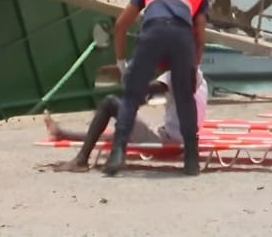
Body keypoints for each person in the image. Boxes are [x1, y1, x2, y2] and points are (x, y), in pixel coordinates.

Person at [102, 0, 208, 177]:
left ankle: (117, 153)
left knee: (132, 96)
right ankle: (191, 160)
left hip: (153, 30)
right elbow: (200, 36)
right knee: (184, 97)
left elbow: (121, 25)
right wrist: (194, 68)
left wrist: (122, 63)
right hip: (181, 35)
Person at [43, 68, 209, 173]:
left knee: (109, 103)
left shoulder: (176, 74)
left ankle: (81, 160)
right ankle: (61, 133)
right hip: (182, 142)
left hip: (168, 144)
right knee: (117, 135)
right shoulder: (198, 76)